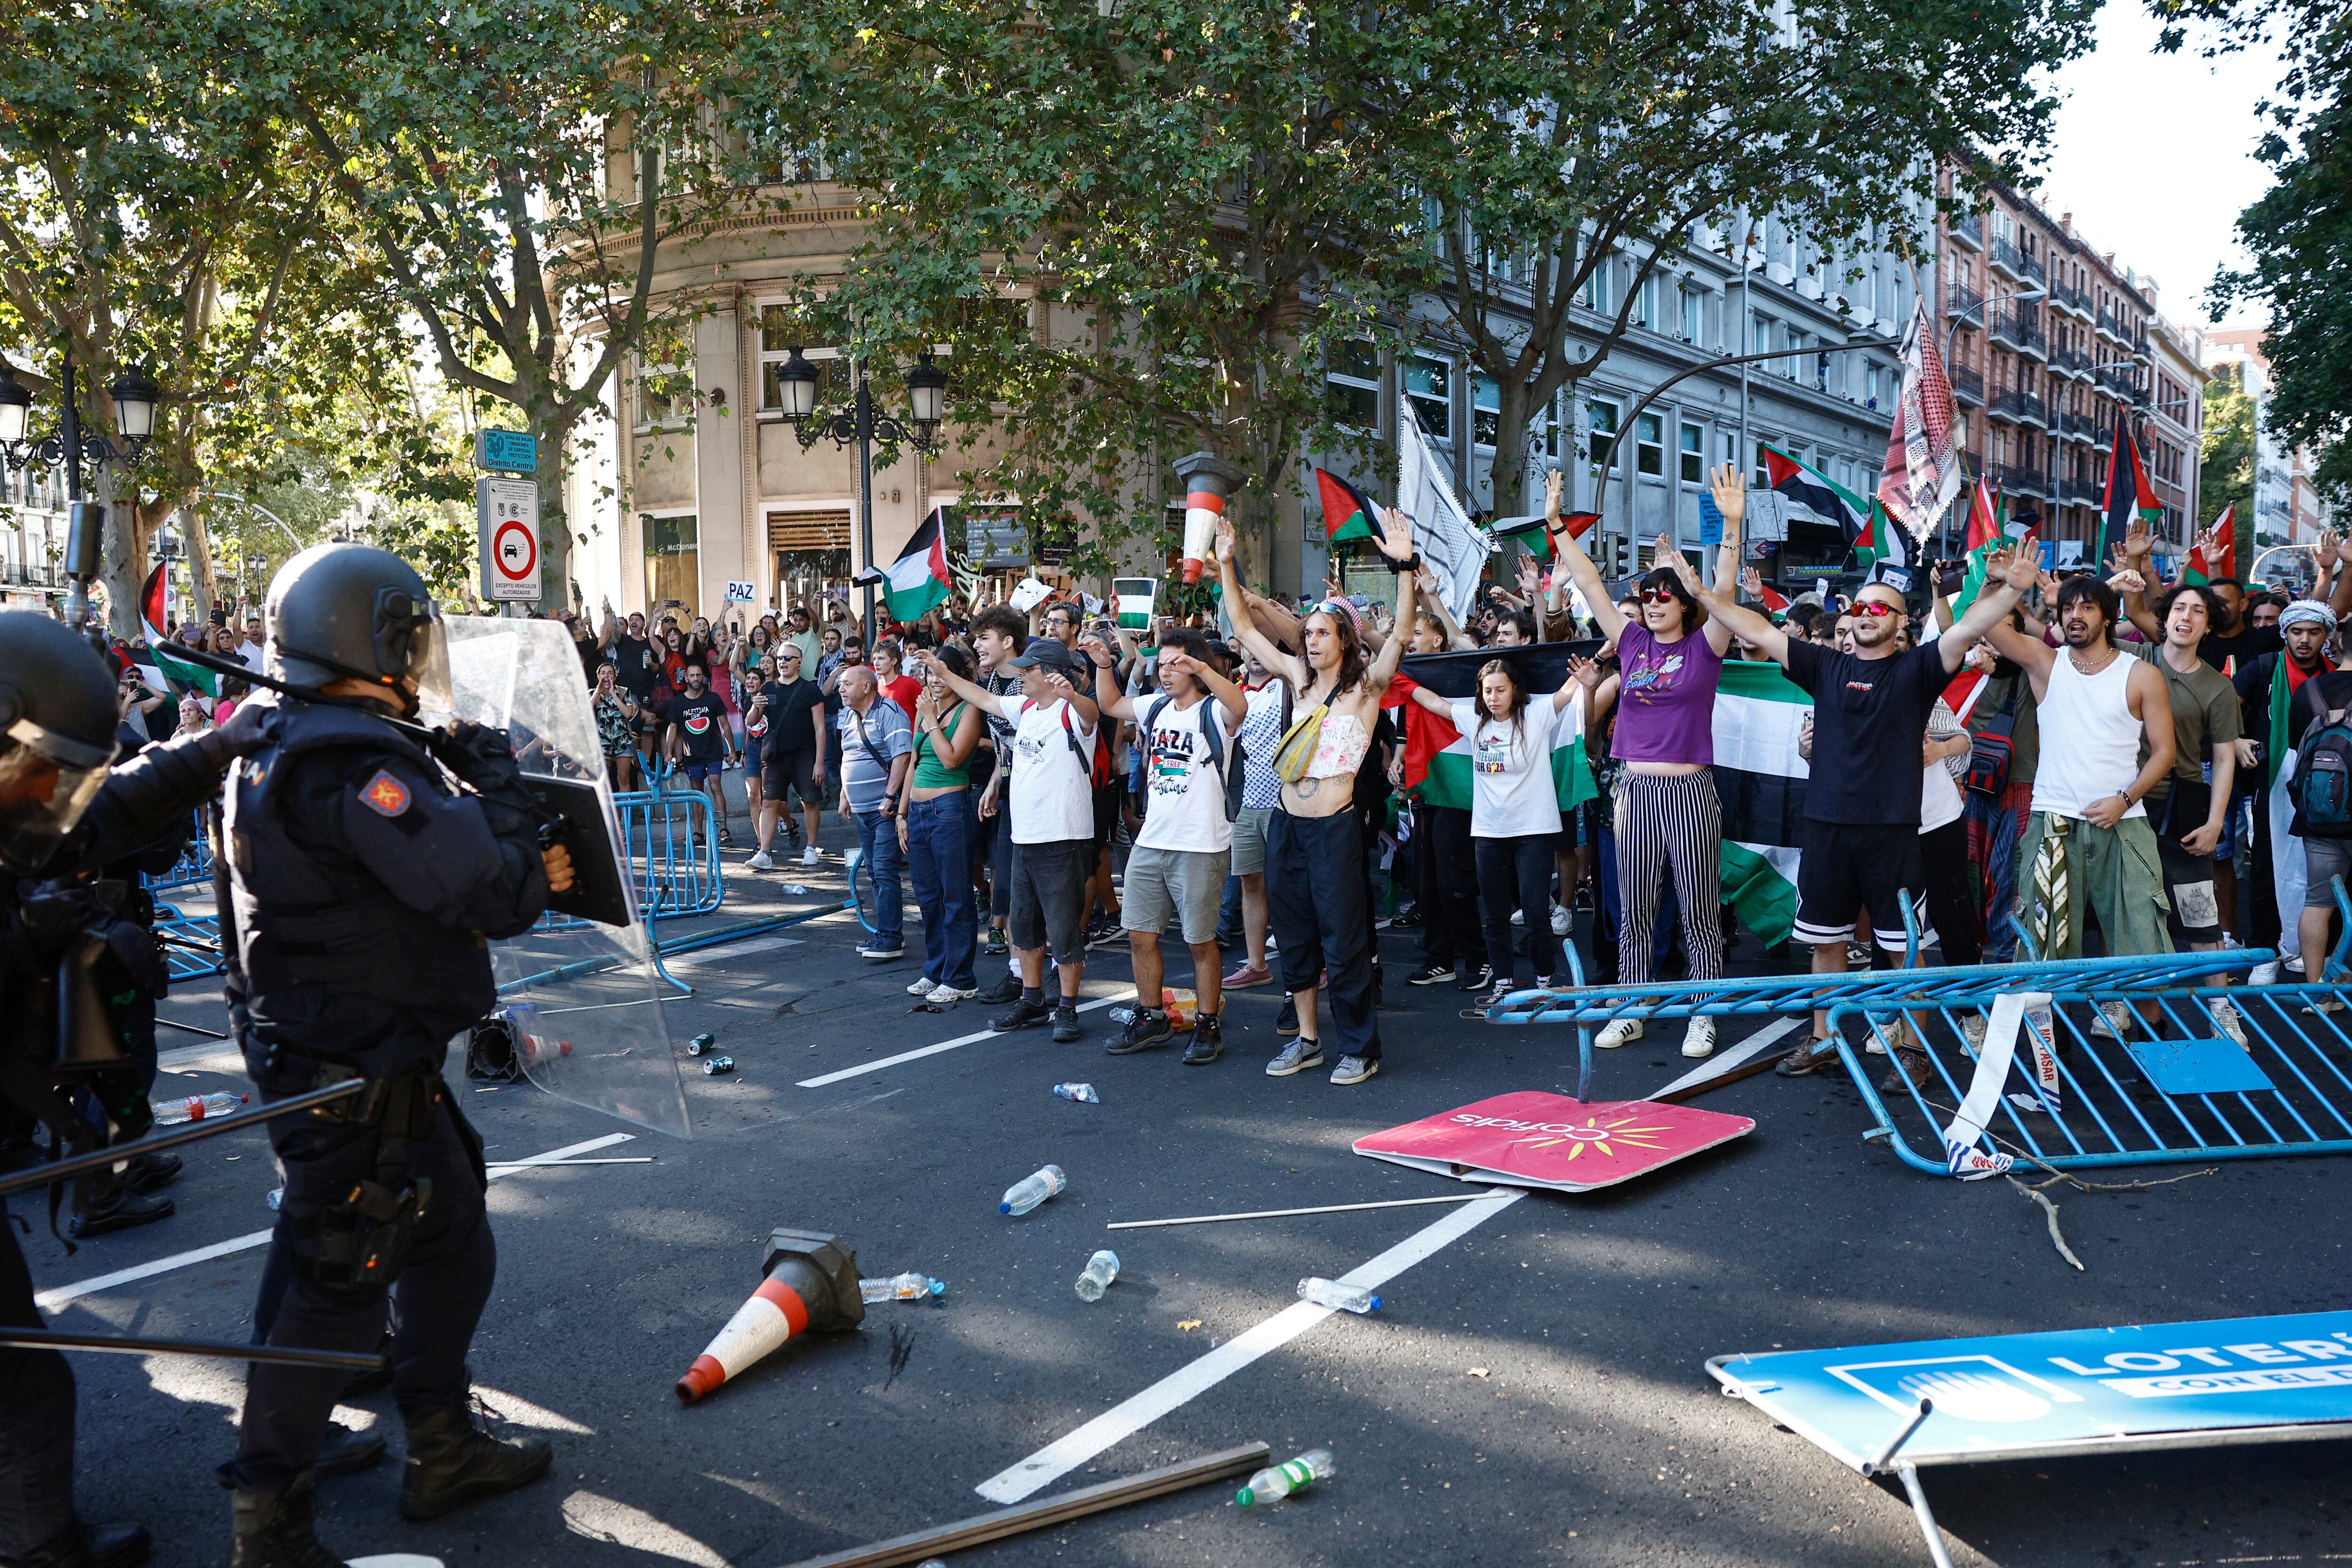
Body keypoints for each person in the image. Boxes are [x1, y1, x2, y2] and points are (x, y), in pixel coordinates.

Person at [216, 546, 572, 1565]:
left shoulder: (269, 742)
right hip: (358, 1073)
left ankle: (441, 1443)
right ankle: (268, 1514)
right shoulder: (357, 764)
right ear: (366, 636)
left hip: (336, 1058)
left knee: (441, 1236)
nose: (423, 655)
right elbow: (495, 891)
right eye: (410, 635)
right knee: (340, 1284)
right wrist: (502, 794)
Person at [0, 613, 274, 1568]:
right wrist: (26, 938)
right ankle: (39, 1546)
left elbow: (107, 808)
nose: (52, 797)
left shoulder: (14, 807)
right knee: (23, 1379)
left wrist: (221, 741)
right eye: (45, 768)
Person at [1687, 512, 2039, 1084]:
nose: (1864, 615)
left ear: (1901, 625)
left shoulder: (1919, 668)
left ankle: (1914, 1051)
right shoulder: (1823, 663)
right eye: (1858, 608)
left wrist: (2012, 589)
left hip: (1893, 832)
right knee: (1824, 944)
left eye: (1879, 608)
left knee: (1904, 950)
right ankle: (1824, 1038)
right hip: (1824, 828)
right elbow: (1754, 630)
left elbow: (1966, 624)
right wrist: (1704, 592)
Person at [1214, 505, 1417, 1085]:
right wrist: (1228, 566)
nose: (1311, 639)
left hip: (1334, 829)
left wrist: (1403, 567)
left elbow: (1402, 634)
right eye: (1307, 633)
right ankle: (1306, 1040)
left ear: (1345, 638)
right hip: (1286, 826)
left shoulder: (1365, 689)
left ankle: (1358, 1046)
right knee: (1296, 935)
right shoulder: (1296, 680)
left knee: (1344, 937)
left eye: (1321, 632)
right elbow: (1246, 628)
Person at [1546, 465, 1740, 1056]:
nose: (1653, 604)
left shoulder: (1705, 648)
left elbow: (1726, 593)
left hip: (1689, 794)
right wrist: (1555, 524)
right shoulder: (1628, 644)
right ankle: (1631, 1005)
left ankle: (1702, 1013)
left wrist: (1730, 524)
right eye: (1647, 597)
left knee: (1697, 908)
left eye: (1664, 597)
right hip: (1632, 791)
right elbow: (1588, 581)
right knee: (1633, 905)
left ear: (1684, 605)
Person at [1984, 572, 2177, 1041]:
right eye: (2067, 607)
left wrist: (2123, 799)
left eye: (2087, 607)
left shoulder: (2140, 673)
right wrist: (1997, 583)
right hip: (2051, 822)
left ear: (2109, 616)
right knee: (2045, 950)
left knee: (2140, 946)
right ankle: (2055, 1064)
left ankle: (2149, 1063)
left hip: (2123, 823)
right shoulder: (2045, 664)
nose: (2074, 615)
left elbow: (2165, 752)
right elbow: (1989, 627)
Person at [1083, 627, 1246, 1062]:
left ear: (1197, 667)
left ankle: (1208, 1025)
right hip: (1152, 841)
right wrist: (1103, 665)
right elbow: (1111, 705)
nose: (1167, 671)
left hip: (1200, 844)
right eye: (1163, 664)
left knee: (1199, 941)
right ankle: (1152, 1016)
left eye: (1177, 664)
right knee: (1140, 935)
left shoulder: (1213, 710)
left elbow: (1239, 706)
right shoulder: (1156, 706)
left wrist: (1205, 669)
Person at [933, 636, 1102, 1042]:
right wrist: (945, 673)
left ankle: (1067, 1007)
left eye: (1028, 670)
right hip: (1024, 834)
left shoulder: (1071, 711)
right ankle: (1032, 1000)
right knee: (1023, 925)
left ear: (1051, 675)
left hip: (1062, 837)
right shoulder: (1026, 706)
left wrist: (1073, 694)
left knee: (1063, 929)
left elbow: (1093, 714)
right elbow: (982, 698)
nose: (1020, 674)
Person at [1400, 657, 1585, 1006]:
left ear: (1516, 690)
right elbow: (1434, 702)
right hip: (1488, 834)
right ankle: (1503, 982)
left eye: (1501, 690)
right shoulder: (1474, 721)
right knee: (1496, 915)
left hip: (1533, 831)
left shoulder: (1536, 715)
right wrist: (1402, 680)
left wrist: (1598, 660)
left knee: (1534, 912)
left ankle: (1545, 981)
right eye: (1488, 691)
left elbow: (1566, 693)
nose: (1494, 697)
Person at [2129, 582, 2244, 1036]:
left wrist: (2216, 822)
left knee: (2200, 914)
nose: (2187, 616)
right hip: (2126, 800)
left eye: (2198, 611)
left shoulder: (2217, 687)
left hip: (2184, 802)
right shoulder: (2134, 659)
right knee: (2128, 909)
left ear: (2208, 624)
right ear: (2166, 617)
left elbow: (2224, 755)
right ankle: (2125, 1004)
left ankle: (2222, 1012)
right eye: (2180, 608)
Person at [1393, 605, 1484, 994]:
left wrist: (1431, 594)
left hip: (1457, 792)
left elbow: (1466, 645)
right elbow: (1404, 729)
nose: (1410, 640)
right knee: (1426, 882)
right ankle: (1439, 959)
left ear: (1438, 640)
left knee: (1454, 881)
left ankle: (1480, 959)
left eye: (1417, 633)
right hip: (1424, 791)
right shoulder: (1408, 674)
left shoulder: (1462, 671)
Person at [901, 644, 985, 1003]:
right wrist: (901, 815)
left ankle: (960, 977)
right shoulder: (924, 709)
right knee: (929, 898)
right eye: (929, 675)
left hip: (950, 808)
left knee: (955, 897)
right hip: (919, 813)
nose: (933, 681)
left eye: (939, 673)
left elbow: (952, 760)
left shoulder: (968, 710)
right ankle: (935, 970)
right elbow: (914, 764)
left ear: (955, 675)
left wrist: (932, 720)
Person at [967, 606, 1031, 1001]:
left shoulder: (1031, 682)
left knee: (1036, 891)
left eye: (984, 638)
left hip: (1042, 798)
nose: (976, 645)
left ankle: (1049, 975)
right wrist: (996, 780)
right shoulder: (993, 679)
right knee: (1006, 887)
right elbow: (1009, 747)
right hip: (1012, 791)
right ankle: (1017, 974)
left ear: (1008, 642)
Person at [835, 664, 914, 961]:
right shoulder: (848, 715)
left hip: (885, 811)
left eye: (847, 684)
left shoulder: (889, 712)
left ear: (867, 687)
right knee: (875, 874)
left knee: (884, 871)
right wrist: (845, 794)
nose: (841, 689)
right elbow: (850, 755)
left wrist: (890, 796)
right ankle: (885, 933)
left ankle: (892, 937)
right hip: (861, 810)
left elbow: (903, 756)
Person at [747, 647, 827, 871]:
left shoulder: (810, 690)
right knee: (769, 802)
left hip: (804, 754)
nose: (783, 662)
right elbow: (751, 722)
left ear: (799, 662)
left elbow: (820, 728)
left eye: (788, 658)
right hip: (774, 755)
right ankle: (765, 852)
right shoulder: (767, 687)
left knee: (809, 801)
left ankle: (811, 847)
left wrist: (820, 761)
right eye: (780, 658)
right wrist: (755, 706)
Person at [661, 660, 738, 846]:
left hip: (713, 751)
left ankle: (723, 829)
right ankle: (698, 831)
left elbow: (725, 725)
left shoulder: (713, 698)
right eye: (692, 675)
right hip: (692, 755)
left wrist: (732, 750)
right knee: (697, 792)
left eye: (698, 675)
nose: (696, 679)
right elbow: (672, 728)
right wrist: (669, 752)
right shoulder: (678, 702)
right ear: (686, 678)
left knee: (715, 786)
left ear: (703, 678)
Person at [592, 660, 639, 792]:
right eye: (603, 673)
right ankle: (608, 812)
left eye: (610, 673)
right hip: (602, 743)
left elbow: (628, 713)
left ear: (615, 676)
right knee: (603, 779)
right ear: (598, 676)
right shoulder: (592, 693)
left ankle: (626, 813)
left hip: (622, 741)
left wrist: (614, 694)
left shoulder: (625, 692)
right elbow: (586, 712)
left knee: (623, 778)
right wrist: (597, 692)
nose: (606, 677)